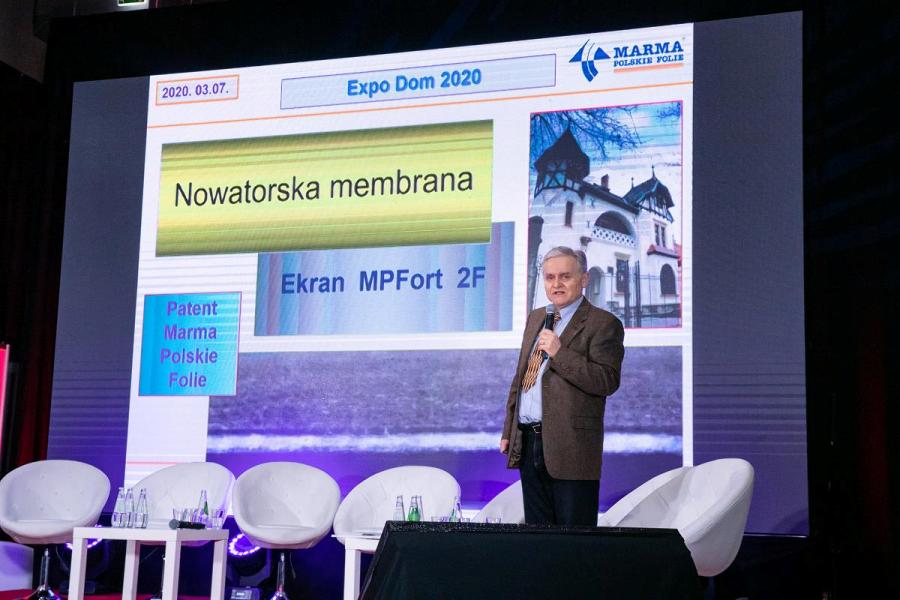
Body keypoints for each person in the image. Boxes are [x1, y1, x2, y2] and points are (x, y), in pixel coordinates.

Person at [500, 246, 624, 526]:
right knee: (538, 534)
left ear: (584, 279)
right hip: (529, 440)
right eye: (550, 277)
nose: (556, 284)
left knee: (573, 537)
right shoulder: (536, 318)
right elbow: (522, 376)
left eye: (565, 276)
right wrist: (510, 429)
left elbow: (606, 380)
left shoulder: (603, 324)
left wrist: (560, 352)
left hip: (572, 446)